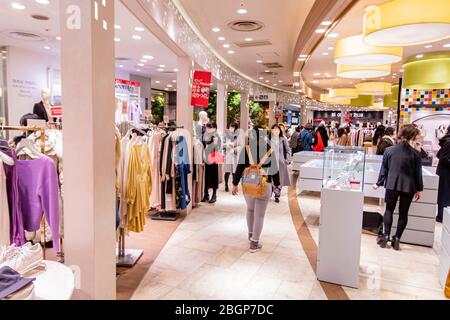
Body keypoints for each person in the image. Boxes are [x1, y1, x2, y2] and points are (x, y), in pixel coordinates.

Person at [373, 124, 423, 251]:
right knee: (403, 213)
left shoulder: (389, 150)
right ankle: (397, 239)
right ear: (412, 136)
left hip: (391, 184)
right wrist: (419, 189)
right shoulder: (416, 154)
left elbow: (384, 169)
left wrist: (378, 183)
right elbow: (418, 173)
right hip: (409, 186)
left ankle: (386, 235)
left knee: (389, 209)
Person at [232, 126, 276, 252]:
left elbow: (239, 169)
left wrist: (234, 184)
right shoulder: (269, 150)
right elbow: (274, 171)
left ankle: (251, 235)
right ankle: (254, 243)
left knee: (250, 210)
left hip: (248, 185)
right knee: (259, 215)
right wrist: (276, 185)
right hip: (264, 184)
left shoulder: (246, 150)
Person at [269, 124, 292, 203]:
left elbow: (288, 150)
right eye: (274, 129)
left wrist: (287, 160)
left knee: (279, 179)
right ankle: (271, 190)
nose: (275, 131)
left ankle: (277, 194)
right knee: (271, 179)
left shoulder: (283, 139)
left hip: (281, 163)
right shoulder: (268, 139)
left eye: (277, 129)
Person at [202, 122, 221, 204]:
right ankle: (206, 194)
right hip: (206, 157)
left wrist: (215, 142)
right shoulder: (205, 135)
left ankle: (214, 195)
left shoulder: (217, 136)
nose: (208, 129)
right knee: (206, 176)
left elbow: (217, 148)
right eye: (207, 127)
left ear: (214, 128)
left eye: (209, 127)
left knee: (214, 176)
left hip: (213, 158)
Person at [436, 125, 450, 223]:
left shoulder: (446, 141)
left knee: (444, 194)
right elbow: (443, 158)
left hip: (444, 172)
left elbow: (438, 155)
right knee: (444, 195)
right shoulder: (449, 142)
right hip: (446, 173)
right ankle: (441, 217)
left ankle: (441, 216)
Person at [223, 122, 242, 192]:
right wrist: (227, 145)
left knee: (234, 172)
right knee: (227, 171)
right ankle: (226, 185)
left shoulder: (238, 136)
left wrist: (235, 149)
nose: (231, 129)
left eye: (233, 127)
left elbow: (240, 146)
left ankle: (234, 185)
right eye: (230, 127)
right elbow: (222, 144)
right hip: (228, 155)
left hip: (235, 155)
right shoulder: (225, 135)